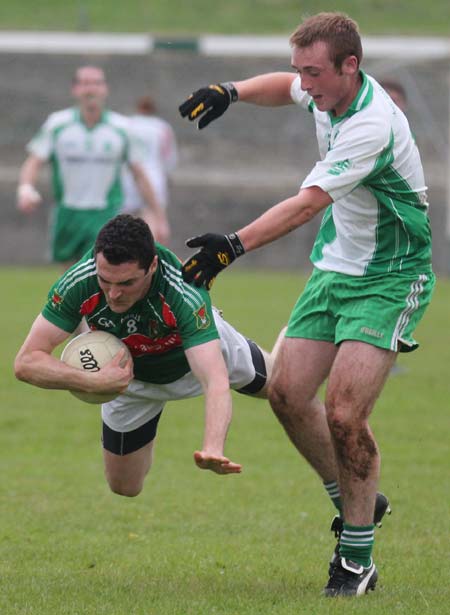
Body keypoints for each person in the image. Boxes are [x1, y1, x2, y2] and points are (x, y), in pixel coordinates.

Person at [178, 12, 435, 597]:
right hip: (335, 268)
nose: (305, 83)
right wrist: (232, 91)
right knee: (286, 392)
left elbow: (306, 204)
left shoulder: (371, 123)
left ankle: (355, 561)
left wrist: (230, 247)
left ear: (352, 65)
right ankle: (357, 497)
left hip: (390, 277)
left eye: (313, 72)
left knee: (346, 414)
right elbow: (283, 85)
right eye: (301, 70)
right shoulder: (326, 91)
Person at [15, 214, 280, 495]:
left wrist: (213, 447)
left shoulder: (184, 290)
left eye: (127, 283)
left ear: (152, 265)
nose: (114, 294)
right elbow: (26, 361)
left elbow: (214, 380)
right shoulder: (79, 281)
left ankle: (290, 338)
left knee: (283, 390)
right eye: (106, 281)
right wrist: (94, 382)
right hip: (128, 379)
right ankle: (145, 426)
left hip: (194, 359)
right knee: (125, 487)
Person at [16, 66, 170, 271]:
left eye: (97, 83)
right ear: (75, 89)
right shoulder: (58, 124)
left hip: (105, 214)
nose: (91, 89)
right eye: (85, 83)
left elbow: (140, 174)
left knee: (101, 277)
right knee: (70, 281)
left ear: (105, 89)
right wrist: (25, 188)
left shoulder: (121, 128)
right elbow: (34, 161)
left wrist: (159, 216)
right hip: (67, 214)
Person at [121, 95, 178, 232]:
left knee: (125, 222)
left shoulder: (127, 124)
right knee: (151, 217)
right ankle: (148, 250)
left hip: (129, 176)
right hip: (154, 176)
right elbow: (169, 157)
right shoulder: (162, 127)